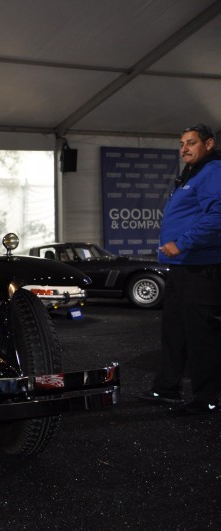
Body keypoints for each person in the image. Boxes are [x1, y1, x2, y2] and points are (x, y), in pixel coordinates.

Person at [138, 124, 221, 415]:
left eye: (191, 142)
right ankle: (168, 387)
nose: (184, 148)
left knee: (201, 334)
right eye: (182, 143)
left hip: (200, 267)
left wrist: (183, 243)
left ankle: (206, 397)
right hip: (181, 267)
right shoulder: (193, 174)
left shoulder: (213, 171)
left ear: (208, 144)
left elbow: (217, 215)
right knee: (173, 330)